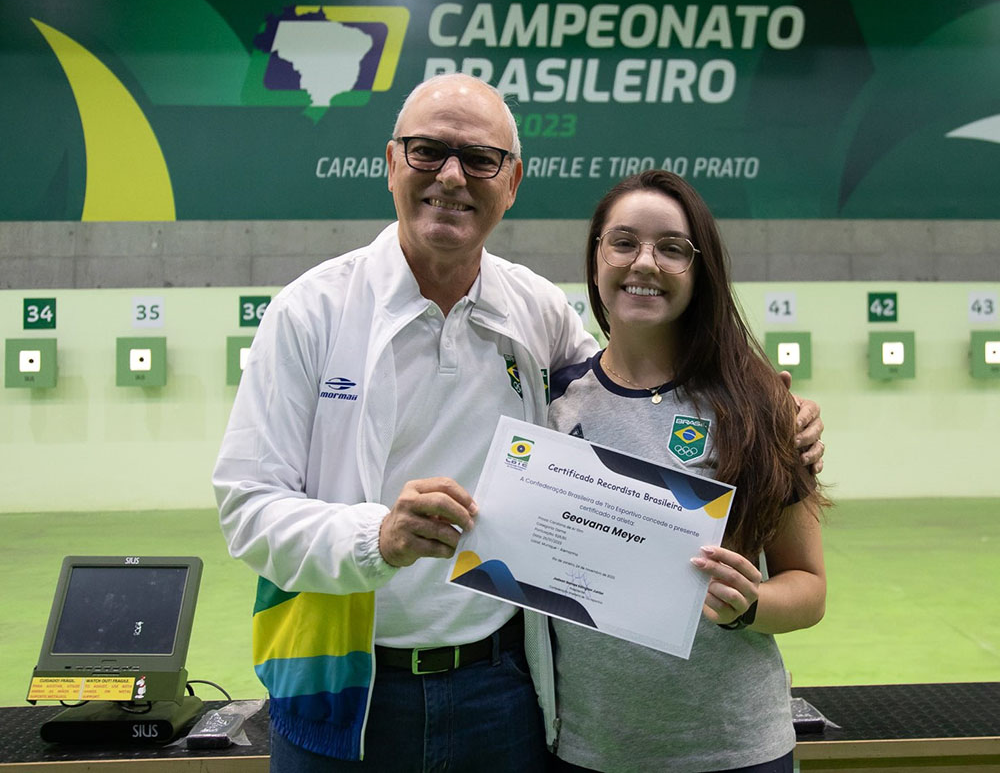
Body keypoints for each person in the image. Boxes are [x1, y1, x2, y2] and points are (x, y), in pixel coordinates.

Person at [212, 74, 825, 771]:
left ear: (512, 182)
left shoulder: (536, 310)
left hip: (502, 690)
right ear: (390, 162)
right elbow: (247, 507)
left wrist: (774, 411)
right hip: (342, 690)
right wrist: (375, 538)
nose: (451, 176)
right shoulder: (309, 313)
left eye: (480, 159)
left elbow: (629, 382)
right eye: (427, 151)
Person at [544, 170, 831, 773]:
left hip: (738, 750)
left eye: (672, 248)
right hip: (591, 751)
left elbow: (808, 587)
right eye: (623, 242)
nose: (644, 262)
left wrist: (749, 605)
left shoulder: (757, 404)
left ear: (700, 272)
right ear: (596, 257)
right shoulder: (550, 405)